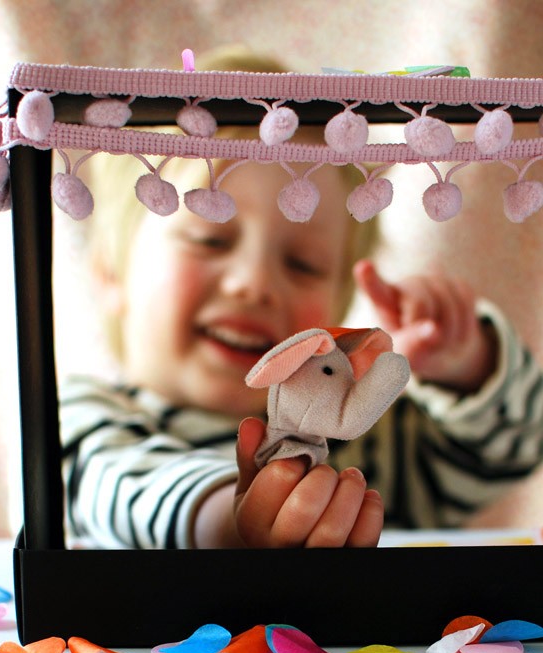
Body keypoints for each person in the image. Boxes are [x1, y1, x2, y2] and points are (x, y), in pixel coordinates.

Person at [59, 46, 543, 551]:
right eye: (209, 241)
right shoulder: (83, 417)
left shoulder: (366, 439)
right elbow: (119, 486)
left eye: (304, 264)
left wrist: (469, 369)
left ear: (338, 308)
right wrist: (233, 516)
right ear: (110, 273)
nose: (255, 284)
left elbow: (510, 452)